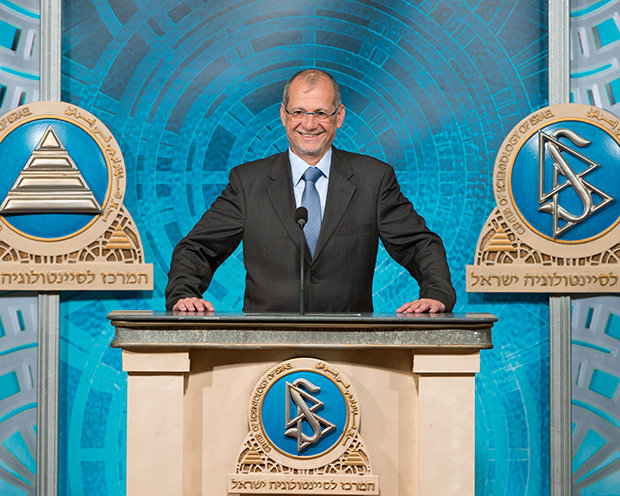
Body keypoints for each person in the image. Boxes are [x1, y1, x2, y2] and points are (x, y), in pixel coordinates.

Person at [165, 69, 456, 313]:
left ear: (339, 116)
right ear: (283, 115)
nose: (309, 124)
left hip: (351, 348)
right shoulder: (248, 182)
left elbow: (420, 245)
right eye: (299, 112)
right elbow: (197, 248)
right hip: (265, 346)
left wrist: (436, 294)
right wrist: (184, 294)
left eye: (320, 113)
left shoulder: (373, 179)